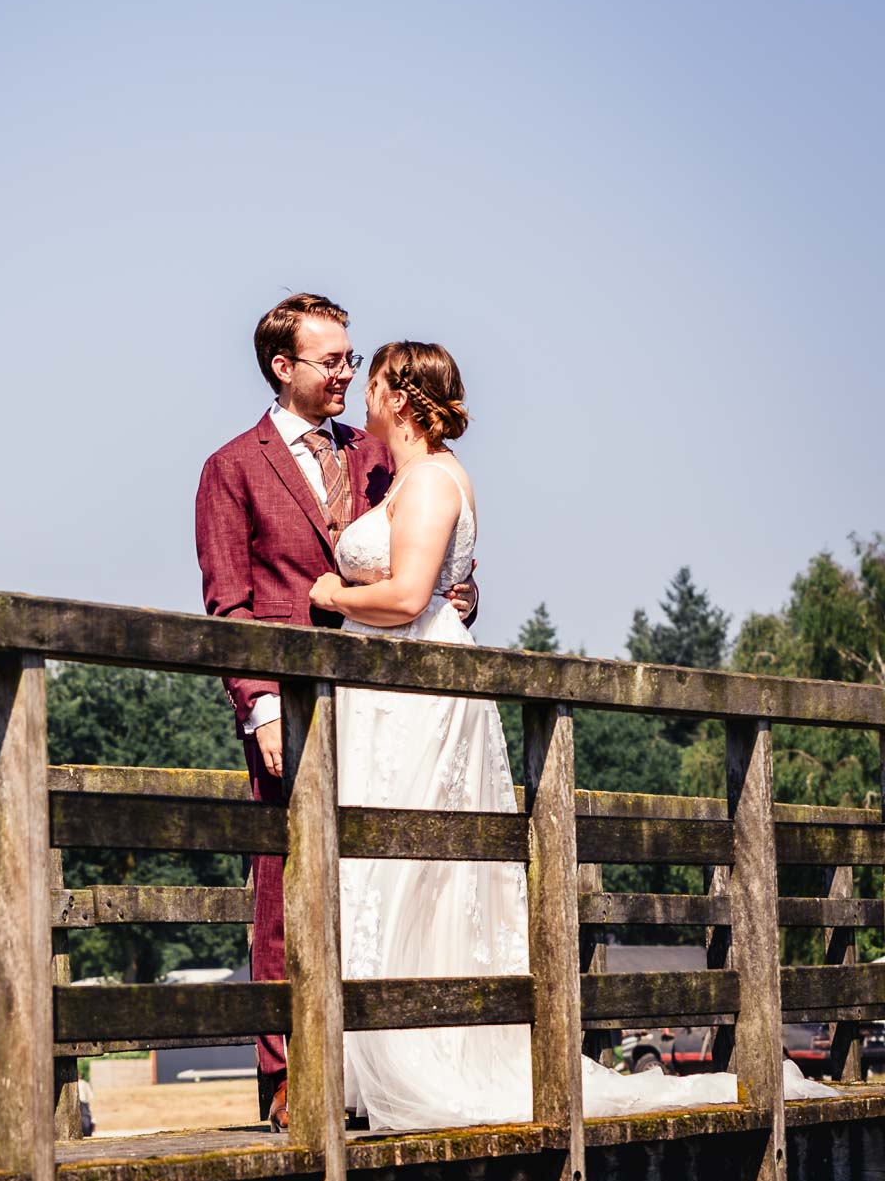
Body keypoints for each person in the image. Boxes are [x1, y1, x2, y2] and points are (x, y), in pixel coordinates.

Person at [310, 338, 827, 1130]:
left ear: (401, 396)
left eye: (374, 381)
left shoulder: (430, 482)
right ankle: (386, 1048)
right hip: (396, 690)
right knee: (396, 869)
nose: (365, 395)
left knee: (422, 868)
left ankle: (429, 1054)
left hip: (420, 687)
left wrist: (332, 593)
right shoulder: (415, 479)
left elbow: (410, 592)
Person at [195, 295, 477, 1128]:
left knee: (393, 881)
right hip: (291, 706)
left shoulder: (381, 452)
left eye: (354, 360)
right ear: (283, 369)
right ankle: (289, 1079)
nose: (349, 375)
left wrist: (455, 595)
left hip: (385, 705)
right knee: (287, 892)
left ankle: (384, 1065)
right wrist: (260, 710)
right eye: (332, 362)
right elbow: (229, 609)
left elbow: (421, 561)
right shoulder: (231, 468)